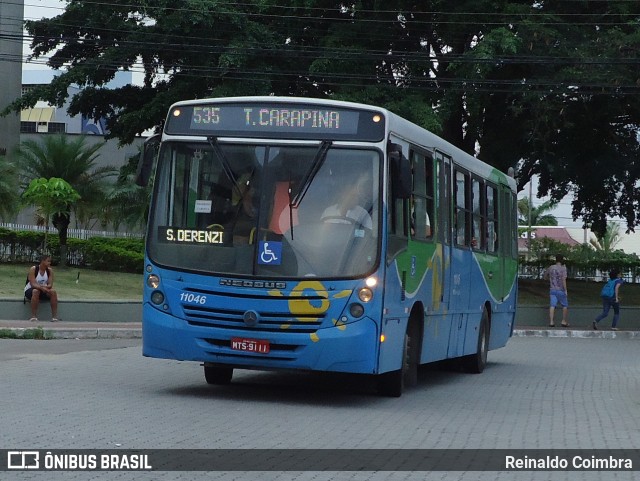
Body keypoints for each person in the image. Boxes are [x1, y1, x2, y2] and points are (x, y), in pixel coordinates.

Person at [24, 255, 59, 322]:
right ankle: (34, 316)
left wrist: (44, 288)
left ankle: (54, 317)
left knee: (53, 292)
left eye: (50, 261)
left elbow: (50, 285)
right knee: (36, 291)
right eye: (48, 261)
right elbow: (33, 284)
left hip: (43, 289)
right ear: (42, 261)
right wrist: (42, 288)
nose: (49, 263)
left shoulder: (50, 271)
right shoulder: (33, 269)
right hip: (31, 290)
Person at [543, 254, 568, 327]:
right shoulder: (563, 268)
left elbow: (545, 276)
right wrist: (565, 290)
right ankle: (563, 321)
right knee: (565, 305)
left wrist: (549, 279)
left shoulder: (551, 267)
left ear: (556, 260)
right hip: (561, 290)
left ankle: (551, 322)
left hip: (552, 289)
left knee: (552, 305)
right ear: (562, 260)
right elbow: (564, 280)